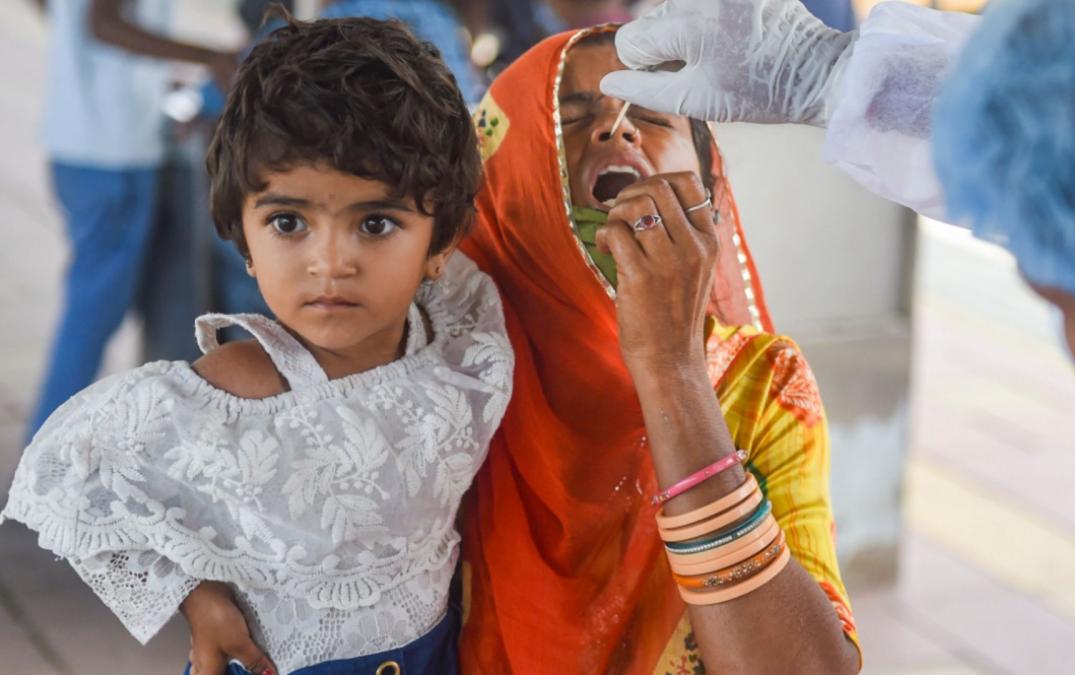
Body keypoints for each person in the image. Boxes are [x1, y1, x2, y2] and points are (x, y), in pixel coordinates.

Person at [181, 25, 862, 675]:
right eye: (567, 117)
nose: (616, 128)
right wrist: (196, 578)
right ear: (500, 188)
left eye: (656, 116)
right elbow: (208, 466)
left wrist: (671, 368)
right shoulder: (429, 362)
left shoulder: (763, 380)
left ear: (710, 195)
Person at [2, 16, 515, 675]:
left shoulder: (456, 340)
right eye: (289, 222)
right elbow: (70, 474)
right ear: (244, 237)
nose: (331, 262)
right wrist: (194, 594)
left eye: (377, 222)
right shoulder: (241, 387)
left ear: (441, 241)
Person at [602, 0, 1075, 503]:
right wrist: (826, 75)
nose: (1035, 278)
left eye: (1066, 293)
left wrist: (825, 76)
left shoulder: (766, 387)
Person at [26, 0, 241, 441]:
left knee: (96, 307)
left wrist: (137, 72)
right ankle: (44, 451)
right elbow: (103, 25)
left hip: (82, 144)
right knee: (93, 313)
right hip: (112, 154)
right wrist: (212, 57)